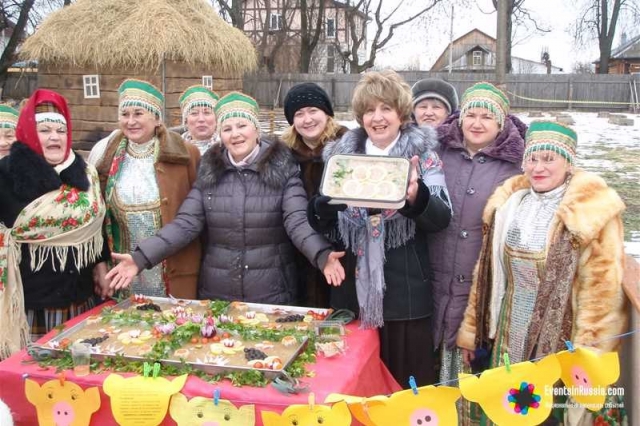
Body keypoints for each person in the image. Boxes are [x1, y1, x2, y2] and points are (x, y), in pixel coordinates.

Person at [457, 121, 628, 425]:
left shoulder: (588, 213)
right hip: (506, 333)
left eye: (549, 159)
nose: (538, 168)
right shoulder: (509, 204)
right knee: (503, 409)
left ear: (569, 163)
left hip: (558, 342)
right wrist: (473, 332)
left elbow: (601, 293)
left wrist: (590, 357)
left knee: (543, 413)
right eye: (532, 158)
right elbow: (486, 276)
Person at [106, 92, 346, 304]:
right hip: (217, 291)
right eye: (227, 128)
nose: (235, 134)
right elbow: (185, 224)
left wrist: (321, 254)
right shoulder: (209, 173)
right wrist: (141, 257)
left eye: (242, 126)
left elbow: (297, 221)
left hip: (270, 291)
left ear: (256, 130)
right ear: (220, 134)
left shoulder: (283, 169)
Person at [308, 70, 452, 387]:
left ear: (401, 113)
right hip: (351, 292)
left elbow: (441, 218)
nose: (378, 118)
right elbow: (325, 224)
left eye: (386, 108)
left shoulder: (423, 157)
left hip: (404, 295)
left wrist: (416, 197)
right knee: (355, 383)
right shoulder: (341, 157)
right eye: (370, 110)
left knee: (405, 388)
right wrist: (322, 210)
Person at [0, 89, 109, 357]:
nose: (54, 137)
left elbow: (96, 225)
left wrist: (102, 266)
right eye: (45, 130)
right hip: (33, 300)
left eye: (61, 131)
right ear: (28, 133)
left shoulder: (85, 174)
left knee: (78, 379)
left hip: (81, 295)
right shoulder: (6, 173)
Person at [430, 82, 525, 386]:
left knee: (471, 376)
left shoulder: (516, 166)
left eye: (487, 116)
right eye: (471, 115)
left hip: (479, 286)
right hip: (433, 277)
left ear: (500, 123)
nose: (477, 123)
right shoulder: (438, 152)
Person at [94, 79, 201, 299]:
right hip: (123, 270)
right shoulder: (107, 155)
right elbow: (97, 217)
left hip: (173, 266)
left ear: (156, 118)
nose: (130, 121)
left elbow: (198, 215)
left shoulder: (185, 154)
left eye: (138, 113)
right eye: (125, 114)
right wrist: (100, 263)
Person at [281, 82, 348, 307]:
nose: (307, 119)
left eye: (313, 111)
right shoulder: (284, 155)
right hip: (300, 250)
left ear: (327, 114)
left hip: (343, 249)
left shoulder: (347, 147)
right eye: (299, 114)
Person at [179, 85, 219, 155]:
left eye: (207, 113)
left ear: (216, 118)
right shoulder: (174, 150)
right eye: (194, 113)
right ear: (186, 119)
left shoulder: (229, 149)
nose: (201, 119)